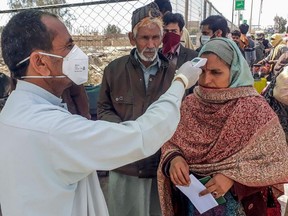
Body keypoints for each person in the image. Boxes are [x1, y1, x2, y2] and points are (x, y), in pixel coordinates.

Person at [0, 9, 201, 216]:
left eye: (155, 37)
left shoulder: (14, 112)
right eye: (68, 46)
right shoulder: (52, 129)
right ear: (40, 62)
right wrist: (181, 82)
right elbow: (140, 135)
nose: (77, 53)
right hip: (128, 163)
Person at [157, 37, 288, 216]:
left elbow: (276, 161)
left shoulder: (254, 108)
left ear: (233, 72)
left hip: (241, 205)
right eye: (202, 72)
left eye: (216, 72)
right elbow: (171, 141)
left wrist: (234, 178)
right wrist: (174, 158)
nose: (206, 79)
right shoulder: (190, 104)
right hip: (192, 203)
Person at [96, 3, 177, 216]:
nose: (150, 45)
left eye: (155, 38)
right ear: (132, 39)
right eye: (144, 38)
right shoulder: (113, 70)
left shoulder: (173, 74)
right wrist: (127, 133)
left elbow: (179, 114)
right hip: (125, 165)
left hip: (159, 167)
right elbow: (104, 108)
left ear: (161, 38)